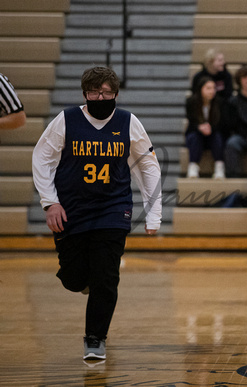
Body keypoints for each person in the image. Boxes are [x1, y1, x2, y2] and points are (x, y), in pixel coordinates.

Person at [31, 66, 162, 360]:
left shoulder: (128, 122)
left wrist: (154, 214)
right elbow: (42, 158)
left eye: (106, 92)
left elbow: (148, 166)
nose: (100, 97)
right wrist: (50, 202)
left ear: (115, 94)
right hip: (72, 208)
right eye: (94, 92)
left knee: (106, 276)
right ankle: (86, 282)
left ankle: (95, 338)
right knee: (73, 279)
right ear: (84, 94)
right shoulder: (66, 120)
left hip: (113, 209)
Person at [185, 76, 226, 179]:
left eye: (213, 88)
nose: (212, 91)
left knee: (217, 137)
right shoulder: (191, 102)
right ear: (200, 89)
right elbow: (191, 122)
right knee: (194, 137)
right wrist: (200, 127)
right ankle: (193, 166)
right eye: (208, 88)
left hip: (213, 134)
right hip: (196, 134)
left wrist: (210, 128)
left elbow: (223, 124)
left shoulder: (220, 102)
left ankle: (219, 167)